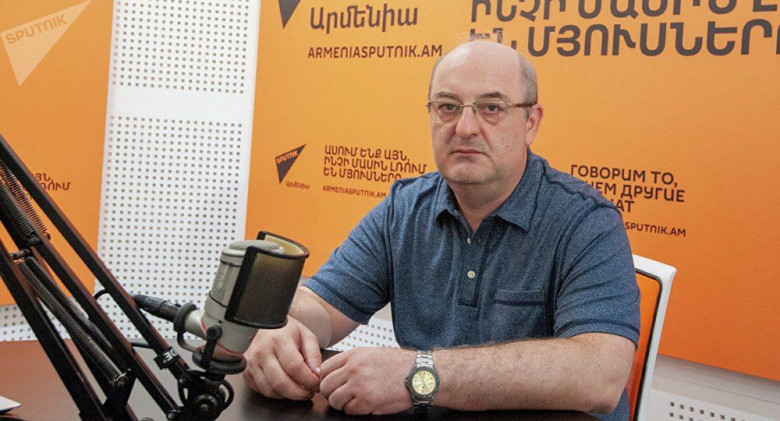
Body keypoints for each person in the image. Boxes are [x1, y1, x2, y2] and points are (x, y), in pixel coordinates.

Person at [243, 41, 639, 420]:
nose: (465, 127)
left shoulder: (587, 221)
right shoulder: (402, 209)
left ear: (530, 123)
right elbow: (323, 308)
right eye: (448, 107)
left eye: (491, 108)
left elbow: (600, 375)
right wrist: (279, 325)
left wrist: (421, 374)